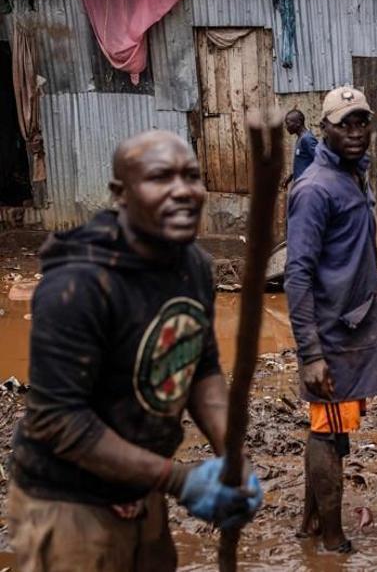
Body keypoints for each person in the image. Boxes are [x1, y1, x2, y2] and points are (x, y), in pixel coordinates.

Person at [8, 131, 262, 572]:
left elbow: (200, 367)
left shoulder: (194, 266)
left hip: (141, 488)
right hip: (70, 502)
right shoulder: (80, 283)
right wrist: (180, 480)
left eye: (192, 176)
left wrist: (231, 453)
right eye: (160, 177)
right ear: (120, 195)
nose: (183, 191)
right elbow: (59, 421)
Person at [284, 87, 377, 553]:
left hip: (352, 328)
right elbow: (297, 276)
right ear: (324, 128)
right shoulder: (314, 190)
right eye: (344, 124)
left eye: (361, 122)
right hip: (331, 336)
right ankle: (331, 540)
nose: (354, 132)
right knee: (327, 433)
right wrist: (311, 353)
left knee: (333, 427)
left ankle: (310, 521)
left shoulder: (352, 176)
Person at [283, 109, 319, 188]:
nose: (286, 126)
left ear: (298, 123)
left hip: (308, 187)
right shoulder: (301, 138)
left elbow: (321, 160)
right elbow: (305, 161)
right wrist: (292, 175)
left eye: (288, 123)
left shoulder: (307, 139)